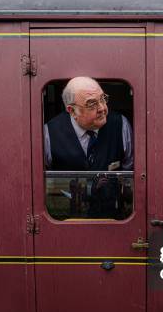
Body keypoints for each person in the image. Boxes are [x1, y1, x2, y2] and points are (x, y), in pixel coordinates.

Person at [44, 77, 134, 218]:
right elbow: (43, 183)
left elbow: (130, 172)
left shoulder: (121, 125)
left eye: (103, 99)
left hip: (113, 219)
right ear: (72, 111)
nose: (102, 108)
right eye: (92, 104)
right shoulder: (49, 133)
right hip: (66, 219)